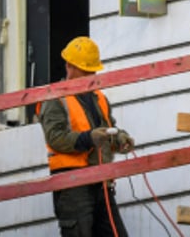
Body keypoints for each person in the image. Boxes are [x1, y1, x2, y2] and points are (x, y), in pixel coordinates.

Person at [40, 36, 134, 237]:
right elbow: (55, 137)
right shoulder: (55, 98)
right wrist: (89, 138)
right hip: (73, 186)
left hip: (101, 183)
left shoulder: (98, 97)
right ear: (70, 67)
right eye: (87, 70)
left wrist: (119, 138)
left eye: (93, 71)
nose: (92, 75)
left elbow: (109, 128)